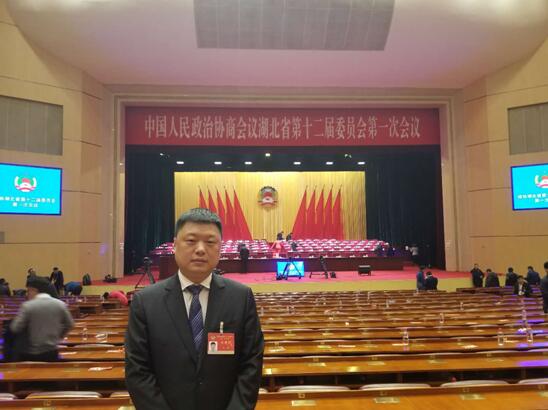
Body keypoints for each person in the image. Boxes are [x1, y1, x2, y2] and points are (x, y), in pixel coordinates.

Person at [125, 208, 264, 410]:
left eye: (210, 242)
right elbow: (137, 370)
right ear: (175, 245)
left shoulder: (241, 297)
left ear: (220, 247)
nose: (200, 249)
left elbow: (251, 364)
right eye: (191, 241)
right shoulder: (146, 302)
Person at [9, 277, 74, 361]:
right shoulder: (60, 304)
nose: (27, 294)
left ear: (34, 290)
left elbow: (15, 328)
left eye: (28, 291)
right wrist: (58, 336)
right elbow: (70, 324)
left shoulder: (27, 306)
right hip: (52, 351)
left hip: (30, 352)